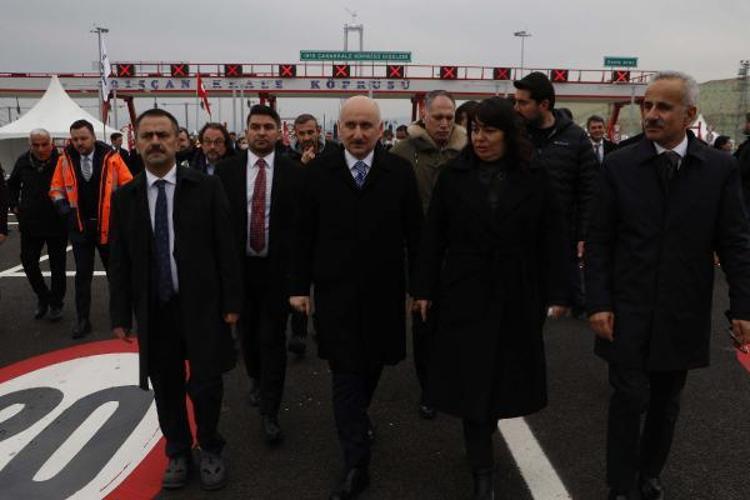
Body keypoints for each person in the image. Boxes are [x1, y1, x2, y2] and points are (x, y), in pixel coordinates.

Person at [586, 71, 750, 500]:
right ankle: (621, 484)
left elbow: (735, 242)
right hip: (627, 306)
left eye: (663, 107)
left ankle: (649, 473)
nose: (651, 114)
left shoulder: (719, 169)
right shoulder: (620, 165)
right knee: (628, 397)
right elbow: (599, 240)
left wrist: (743, 307)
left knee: (666, 401)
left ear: (690, 114)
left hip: (682, 309)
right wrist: (598, 301)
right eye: (647, 105)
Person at [412, 97, 569, 500]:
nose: (480, 138)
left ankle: (485, 431)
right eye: (475, 130)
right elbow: (434, 236)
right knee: (472, 377)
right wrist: (423, 288)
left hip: (519, 291)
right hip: (465, 289)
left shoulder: (535, 176)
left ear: (509, 134)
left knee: (505, 377)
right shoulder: (454, 175)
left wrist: (559, 290)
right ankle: (482, 467)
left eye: (490, 130)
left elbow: (553, 237)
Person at [290, 96, 422, 500]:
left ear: (380, 130)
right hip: (335, 294)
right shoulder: (318, 173)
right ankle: (355, 463)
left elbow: (416, 235)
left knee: (373, 364)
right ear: (339, 129)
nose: (359, 133)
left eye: (367, 126)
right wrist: (298, 287)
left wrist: (420, 288)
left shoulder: (399, 172)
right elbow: (302, 234)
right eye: (351, 125)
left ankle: (358, 417)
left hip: (385, 292)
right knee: (345, 372)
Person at [109, 108, 242, 492]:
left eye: (162, 135)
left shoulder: (206, 187)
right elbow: (119, 261)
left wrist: (232, 302)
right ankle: (178, 451)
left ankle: (211, 446)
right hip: (156, 311)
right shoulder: (125, 197)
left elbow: (226, 248)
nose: (155, 142)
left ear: (177, 140)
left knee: (207, 385)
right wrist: (120, 314)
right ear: (136, 142)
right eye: (147, 135)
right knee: (166, 388)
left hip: (202, 307)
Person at [215, 105, 303, 444]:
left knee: (273, 339)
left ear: (279, 132)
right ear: (246, 131)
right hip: (239, 270)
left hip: (277, 272)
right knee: (248, 337)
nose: (262, 132)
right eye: (256, 126)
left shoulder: (294, 172)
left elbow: (302, 227)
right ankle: (255, 377)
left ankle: (270, 410)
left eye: (268, 127)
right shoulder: (226, 171)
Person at [391, 89, 467, 419]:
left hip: (459, 251)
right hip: (419, 251)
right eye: (438, 117)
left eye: (450, 117)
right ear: (424, 115)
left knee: (458, 319)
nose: (444, 124)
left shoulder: (467, 152)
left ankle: (453, 377)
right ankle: (429, 388)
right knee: (423, 320)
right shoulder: (402, 153)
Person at [514, 72, 598, 319]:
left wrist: (584, 234)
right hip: (519, 235)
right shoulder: (513, 135)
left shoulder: (575, 138)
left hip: (561, 236)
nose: (516, 108)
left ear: (544, 104)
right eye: (515, 101)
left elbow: (589, 190)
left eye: (523, 102)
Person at [49, 119, 133, 338]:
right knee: (82, 277)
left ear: (94, 137)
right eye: (75, 139)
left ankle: (121, 319)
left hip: (108, 226)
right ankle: (83, 320)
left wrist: (120, 213)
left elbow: (129, 185)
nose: (79, 143)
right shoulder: (64, 159)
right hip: (79, 227)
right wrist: (63, 208)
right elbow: (56, 188)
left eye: (84, 138)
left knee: (116, 275)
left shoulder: (112, 158)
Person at [7, 129, 68, 321]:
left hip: (57, 222)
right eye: (36, 145)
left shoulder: (62, 161)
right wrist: (14, 205)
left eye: (44, 144)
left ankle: (56, 303)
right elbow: (12, 185)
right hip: (30, 223)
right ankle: (43, 296)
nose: (40, 149)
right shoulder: (23, 161)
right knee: (28, 262)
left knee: (58, 266)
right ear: (30, 144)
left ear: (51, 143)